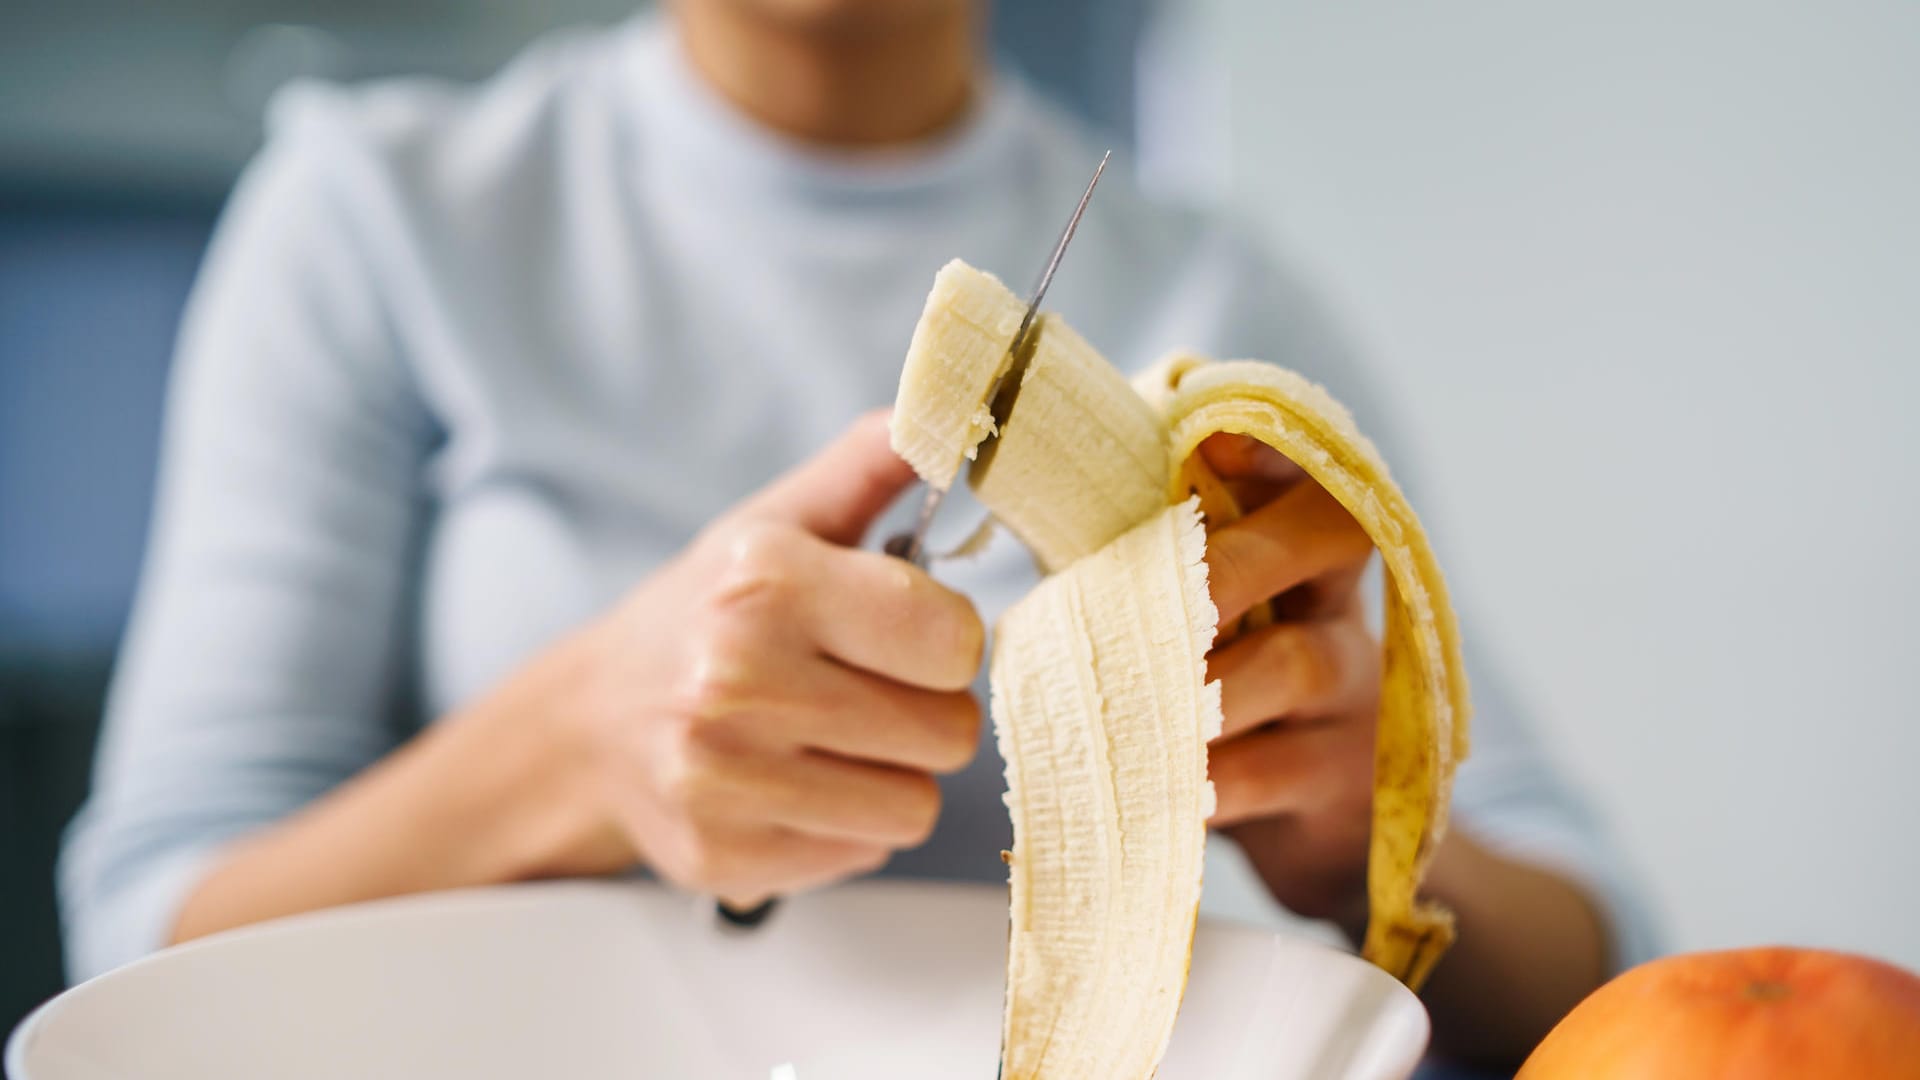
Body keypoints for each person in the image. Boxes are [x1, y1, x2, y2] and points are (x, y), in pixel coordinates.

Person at [61, 0, 1654, 1066]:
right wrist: (584, 745)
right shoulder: (373, 213)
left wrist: (1364, 828)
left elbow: (1611, 983)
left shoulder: (1217, 293)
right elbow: (137, 943)